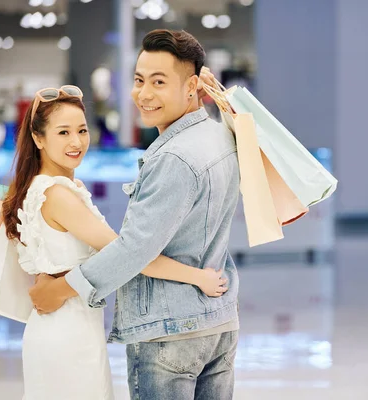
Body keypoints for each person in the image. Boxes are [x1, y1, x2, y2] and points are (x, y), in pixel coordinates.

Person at [29, 29, 242, 400]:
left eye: (159, 82)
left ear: (191, 86)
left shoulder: (175, 157)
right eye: (139, 80)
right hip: (218, 323)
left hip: (170, 333)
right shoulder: (219, 137)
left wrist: (60, 290)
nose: (144, 94)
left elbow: (133, 249)